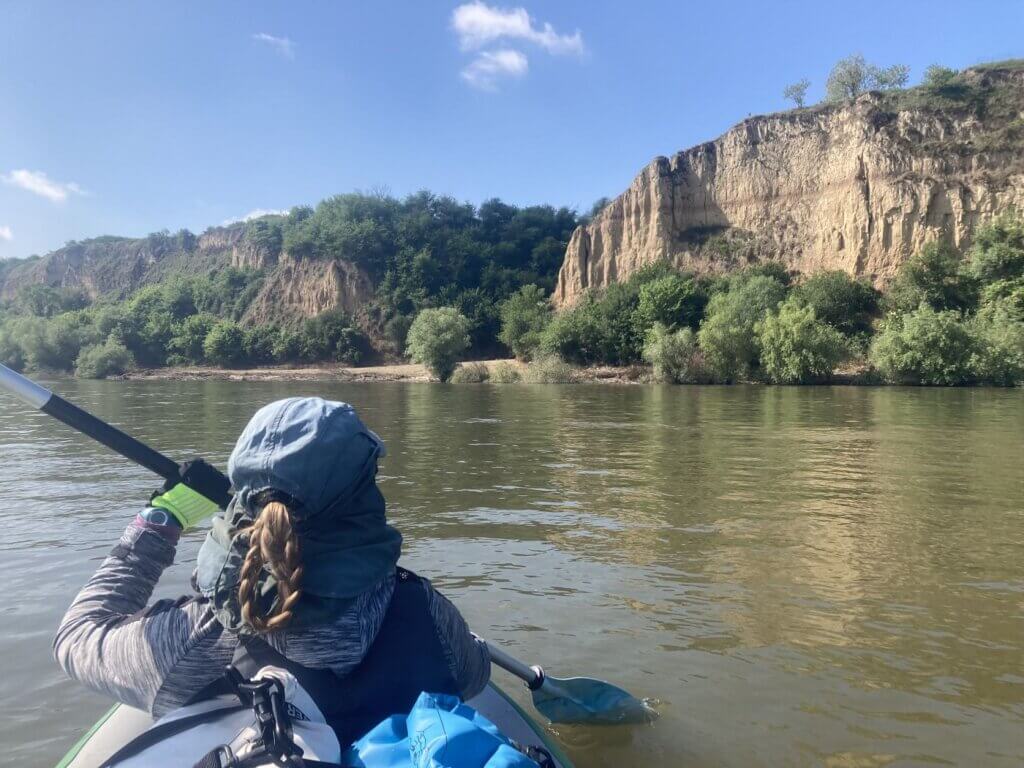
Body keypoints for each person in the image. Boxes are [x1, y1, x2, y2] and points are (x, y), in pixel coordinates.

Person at [53, 396, 491, 757]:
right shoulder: (427, 613)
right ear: (365, 500)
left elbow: (76, 636)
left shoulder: (193, 642)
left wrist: (160, 521)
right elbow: (474, 676)